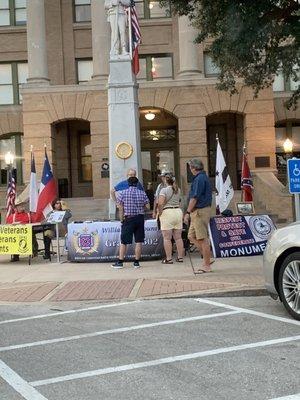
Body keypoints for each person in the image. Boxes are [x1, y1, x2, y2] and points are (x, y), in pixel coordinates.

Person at [112, 176, 150, 269]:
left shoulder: (123, 193)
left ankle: (120, 262)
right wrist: (141, 208)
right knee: (139, 241)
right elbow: (148, 206)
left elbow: (120, 208)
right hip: (140, 218)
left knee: (124, 241)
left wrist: (121, 219)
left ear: (128, 183)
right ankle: (136, 262)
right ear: (137, 184)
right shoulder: (142, 193)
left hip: (128, 218)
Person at [183, 159, 213, 273]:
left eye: (190, 167)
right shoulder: (201, 177)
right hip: (198, 211)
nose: (190, 170)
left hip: (200, 211)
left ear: (193, 168)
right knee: (191, 236)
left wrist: (187, 212)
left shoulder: (199, 179)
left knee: (202, 238)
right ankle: (207, 258)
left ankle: (206, 265)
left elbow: (194, 197)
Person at [158, 174, 184, 264]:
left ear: (165, 180)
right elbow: (180, 201)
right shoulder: (178, 190)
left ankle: (169, 258)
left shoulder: (164, 190)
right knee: (178, 238)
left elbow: (160, 203)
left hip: (167, 213)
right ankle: (180, 257)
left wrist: (160, 213)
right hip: (177, 211)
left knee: (167, 238)